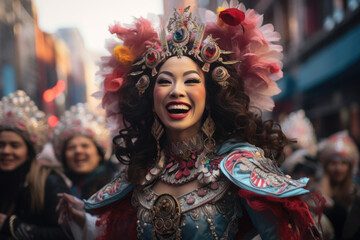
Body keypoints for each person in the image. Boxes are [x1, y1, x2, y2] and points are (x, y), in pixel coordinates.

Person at [58, 2, 324, 239]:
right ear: (150, 97)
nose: (177, 91)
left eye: (191, 81)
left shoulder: (239, 165)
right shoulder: (140, 172)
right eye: (164, 82)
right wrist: (85, 224)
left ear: (211, 95)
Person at [0, 90, 73, 240]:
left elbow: (66, 234)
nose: (6, 151)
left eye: (14, 145)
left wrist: (11, 225)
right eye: (1, 145)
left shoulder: (49, 182)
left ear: (29, 151)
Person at [52, 103, 118, 201]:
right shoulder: (59, 188)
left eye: (85, 146)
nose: (78, 151)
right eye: (71, 147)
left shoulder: (114, 187)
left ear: (99, 154)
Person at [318, 130, 360, 240]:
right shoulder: (315, 191)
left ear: (350, 167)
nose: (338, 168)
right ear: (326, 166)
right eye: (334, 163)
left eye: (343, 163)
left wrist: (335, 207)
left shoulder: (356, 192)